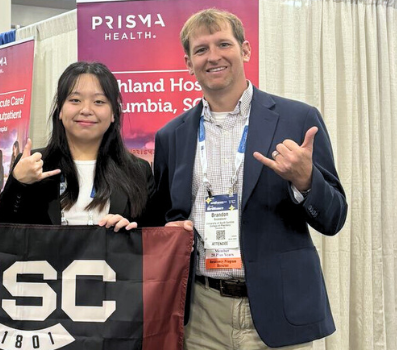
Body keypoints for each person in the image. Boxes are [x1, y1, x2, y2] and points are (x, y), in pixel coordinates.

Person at [147, 9, 348, 349]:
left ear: (245, 50)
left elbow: (334, 218)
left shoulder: (297, 119)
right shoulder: (172, 136)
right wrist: (165, 230)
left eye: (223, 44)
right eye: (201, 49)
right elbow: (160, 219)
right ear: (188, 62)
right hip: (201, 312)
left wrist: (306, 181)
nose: (213, 56)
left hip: (279, 309)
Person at [0, 61, 152, 230]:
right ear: (60, 110)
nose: (86, 110)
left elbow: (154, 238)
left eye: (99, 102)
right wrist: (19, 183)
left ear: (114, 113)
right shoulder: (33, 164)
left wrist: (130, 233)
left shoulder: (138, 171)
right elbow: (1, 234)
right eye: (75, 100)